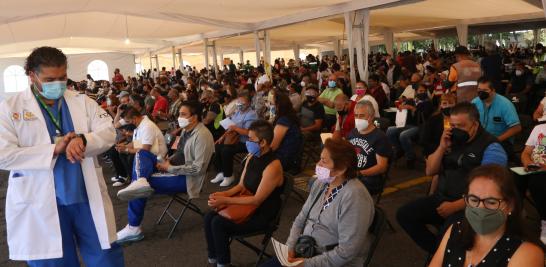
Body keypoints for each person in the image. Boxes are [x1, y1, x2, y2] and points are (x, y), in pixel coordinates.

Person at [0, 46, 124, 265]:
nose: (58, 84)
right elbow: (4, 155)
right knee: (54, 262)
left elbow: (109, 131)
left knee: (106, 258)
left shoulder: (82, 101)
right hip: (40, 199)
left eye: (63, 77)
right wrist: (52, 150)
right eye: (49, 79)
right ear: (32, 75)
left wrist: (83, 140)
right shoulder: (10, 108)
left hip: (84, 195)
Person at [397, 102, 507, 254]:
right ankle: (440, 253)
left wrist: (455, 206)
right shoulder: (452, 141)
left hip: (470, 207)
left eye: (461, 126)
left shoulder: (491, 147)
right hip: (442, 198)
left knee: (448, 233)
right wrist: (442, 147)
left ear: (475, 124)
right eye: (453, 125)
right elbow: (430, 171)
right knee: (405, 215)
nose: (456, 130)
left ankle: (445, 254)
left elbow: (489, 191)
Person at [262, 138, 374, 266]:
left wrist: (306, 264)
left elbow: (346, 252)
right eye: (320, 158)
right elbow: (300, 220)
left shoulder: (355, 197)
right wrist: (290, 248)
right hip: (306, 250)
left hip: (331, 262)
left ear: (341, 169)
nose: (318, 164)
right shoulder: (322, 183)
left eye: (324, 161)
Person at [116, 101, 215, 243]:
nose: (179, 117)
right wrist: (166, 161)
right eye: (179, 113)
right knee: (142, 155)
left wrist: (169, 168)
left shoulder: (203, 136)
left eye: (183, 114)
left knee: (139, 185)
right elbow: (178, 153)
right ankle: (140, 182)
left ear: (194, 117)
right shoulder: (187, 131)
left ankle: (133, 227)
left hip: (187, 179)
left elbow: (198, 169)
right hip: (173, 168)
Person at [429, 164, 544, 267]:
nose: (480, 208)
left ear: (510, 206)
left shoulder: (527, 255)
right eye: (474, 200)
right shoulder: (455, 231)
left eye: (491, 202)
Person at [205, 120, 284, 267]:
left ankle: (223, 263)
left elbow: (257, 200)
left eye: (251, 139)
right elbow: (241, 185)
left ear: (263, 142)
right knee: (209, 216)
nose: (247, 142)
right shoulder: (252, 157)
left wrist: (226, 201)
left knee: (218, 223)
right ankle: (214, 259)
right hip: (246, 204)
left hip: (261, 214)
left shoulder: (273, 166)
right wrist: (222, 195)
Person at [116, 106, 168, 200]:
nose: (127, 124)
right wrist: (125, 146)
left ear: (134, 118)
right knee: (122, 153)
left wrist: (127, 150)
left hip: (157, 159)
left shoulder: (147, 126)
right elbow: (137, 142)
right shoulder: (140, 125)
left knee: (135, 155)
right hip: (149, 156)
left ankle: (137, 182)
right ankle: (135, 183)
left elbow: (145, 149)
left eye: (128, 122)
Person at [211, 90, 258, 186]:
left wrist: (235, 128)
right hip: (234, 139)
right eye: (238, 102)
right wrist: (222, 137)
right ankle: (221, 172)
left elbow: (249, 133)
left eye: (242, 103)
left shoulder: (252, 114)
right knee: (217, 146)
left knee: (226, 151)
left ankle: (229, 176)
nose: (240, 105)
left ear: (249, 103)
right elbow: (230, 126)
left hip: (246, 142)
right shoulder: (237, 112)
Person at [472, 76, 521, 162]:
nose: (481, 93)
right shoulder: (475, 102)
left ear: (493, 90)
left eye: (485, 90)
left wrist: (495, 140)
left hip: (501, 141)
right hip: (480, 139)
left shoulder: (505, 104)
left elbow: (517, 128)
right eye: (479, 89)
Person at [348, 101, 392, 195]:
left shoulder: (379, 137)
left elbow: (381, 167)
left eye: (362, 116)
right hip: (351, 175)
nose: (358, 119)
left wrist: (359, 174)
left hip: (368, 179)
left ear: (371, 117)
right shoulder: (353, 133)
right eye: (356, 115)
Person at [517, 123, 546, 244]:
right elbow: (526, 153)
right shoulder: (539, 128)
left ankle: (545, 221)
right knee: (511, 179)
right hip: (533, 169)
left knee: (539, 182)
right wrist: (528, 163)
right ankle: (515, 218)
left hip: (542, 173)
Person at [269, 91, 303, 172]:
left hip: (285, 158)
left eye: (272, 104)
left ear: (278, 106)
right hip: (291, 155)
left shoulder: (284, 121)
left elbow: (274, 146)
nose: (270, 106)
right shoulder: (290, 116)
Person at [420, 93, 457, 158]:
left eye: (451, 103)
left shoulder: (459, 120)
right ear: (440, 105)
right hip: (435, 151)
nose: (448, 106)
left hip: (454, 152)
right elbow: (424, 141)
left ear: (455, 105)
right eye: (444, 103)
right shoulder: (433, 120)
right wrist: (442, 148)